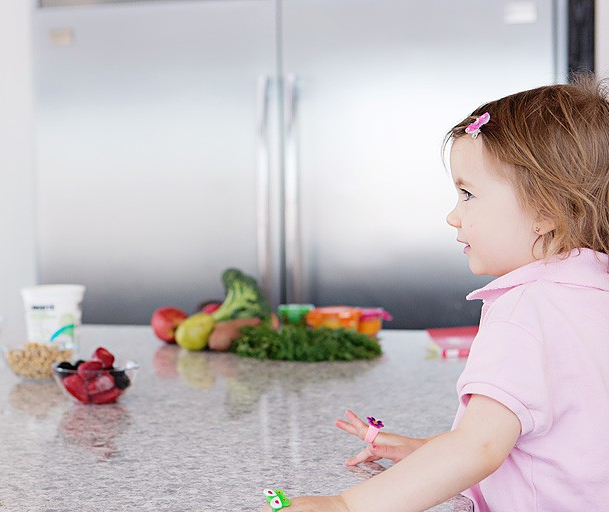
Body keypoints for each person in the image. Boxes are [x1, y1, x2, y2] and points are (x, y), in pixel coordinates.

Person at [261, 76, 609, 511]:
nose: (452, 216)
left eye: (467, 194)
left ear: (544, 212)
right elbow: (555, 438)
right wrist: (428, 451)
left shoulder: (525, 308)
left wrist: (345, 506)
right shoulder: (592, 294)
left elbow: (479, 448)